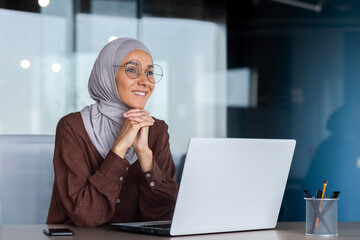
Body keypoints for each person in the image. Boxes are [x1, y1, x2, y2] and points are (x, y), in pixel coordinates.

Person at [46, 38, 178, 227]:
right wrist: (120, 147)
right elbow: (86, 215)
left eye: (149, 72)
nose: (145, 81)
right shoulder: (73, 127)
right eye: (132, 70)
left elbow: (164, 216)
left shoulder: (157, 130)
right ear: (107, 74)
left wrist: (145, 156)